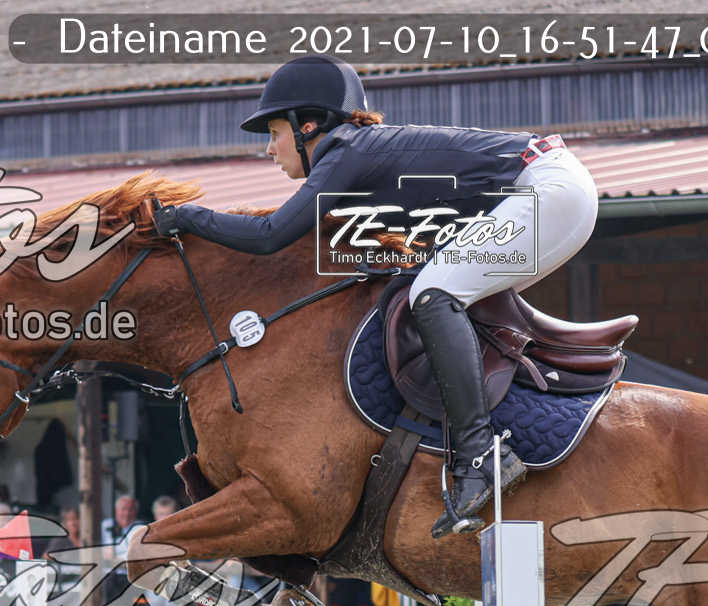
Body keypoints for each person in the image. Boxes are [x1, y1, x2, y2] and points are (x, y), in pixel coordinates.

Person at [151, 54, 600, 537]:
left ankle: (481, 456)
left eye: (274, 132)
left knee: (433, 294)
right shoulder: (357, 154)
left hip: (548, 190)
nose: (268, 149)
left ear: (308, 126)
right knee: (424, 294)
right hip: (549, 188)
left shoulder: (344, 150)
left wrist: (187, 217)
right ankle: (485, 436)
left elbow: (270, 234)